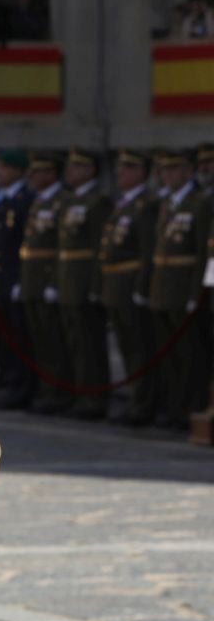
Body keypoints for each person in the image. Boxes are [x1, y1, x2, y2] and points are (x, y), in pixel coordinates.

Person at [145, 151, 205, 432]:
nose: (167, 176)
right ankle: (173, 407)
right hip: (162, 288)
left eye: (174, 170)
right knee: (167, 355)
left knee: (188, 355)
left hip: (184, 290)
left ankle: (189, 409)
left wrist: (196, 293)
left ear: (188, 172)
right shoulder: (166, 203)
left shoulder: (200, 203)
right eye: (164, 171)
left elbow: (203, 252)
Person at [99, 151, 159, 425]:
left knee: (138, 348)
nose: (121, 173)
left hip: (130, 283)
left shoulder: (145, 205)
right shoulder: (124, 204)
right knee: (126, 346)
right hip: (115, 285)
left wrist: (142, 286)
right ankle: (137, 399)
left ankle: (142, 403)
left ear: (142, 172)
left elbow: (147, 252)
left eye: (129, 168)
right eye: (120, 168)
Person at [53, 148, 112, 420]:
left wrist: (94, 286)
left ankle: (94, 397)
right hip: (67, 280)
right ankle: (79, 393)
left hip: (83, 281)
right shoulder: (69, 200)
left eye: (77, 166)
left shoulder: (97, 201)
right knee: (73, 343)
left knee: (89, 344)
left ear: (90, 170)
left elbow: (100, 247)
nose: (70, 171)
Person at [20, 153, 74, 415]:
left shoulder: (62, 201)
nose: (33, 176)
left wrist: (53, 281)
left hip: (50, 278)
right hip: (33, 278)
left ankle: (59, 392)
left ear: (52, 173)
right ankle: (47, 390)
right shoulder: (41, 201)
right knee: (41, 340)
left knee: (56, 341)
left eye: (40, 171)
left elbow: (60, 246)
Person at [0, 150, 33, 408]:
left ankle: (20, 384)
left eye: (4, 167)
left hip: (16, 277)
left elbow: (23, 243)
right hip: (3, 277)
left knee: (18, 336)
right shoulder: (4, 199)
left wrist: (18, 279)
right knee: (3, 335)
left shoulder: (24, 199)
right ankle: (8, 379)